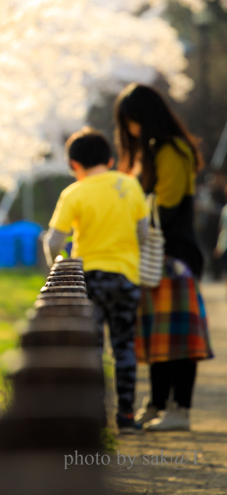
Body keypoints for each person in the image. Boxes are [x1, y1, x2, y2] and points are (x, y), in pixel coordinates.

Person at [114, 83, 213, 432]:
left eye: (131, 121)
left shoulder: (170, 150)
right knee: (157, 331)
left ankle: (179, 408)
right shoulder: (151, 151)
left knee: (178, 334)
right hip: (154, 255)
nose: (129, 129)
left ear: (145, 118)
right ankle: (157, 402)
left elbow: (166, 206)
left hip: (173, 254)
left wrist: (131, 208)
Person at [44, 127, 149, 433]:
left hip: (88, 278)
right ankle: (127, 416)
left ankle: (97, 416)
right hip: (126, 276)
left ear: (74, 165)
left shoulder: (74, 193)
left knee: (92, 349)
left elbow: (53, 242)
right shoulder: (130, 185)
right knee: (124, 345)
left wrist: (57, 266)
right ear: (110, 158)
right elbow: (143, 232)